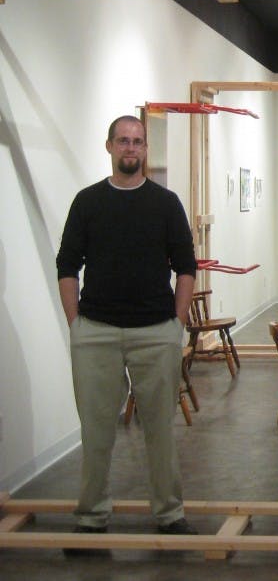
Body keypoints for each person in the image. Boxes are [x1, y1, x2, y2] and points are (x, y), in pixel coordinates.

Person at [55, 115, 199, 550]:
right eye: (123, 141)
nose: (130, 148)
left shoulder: (166, 203)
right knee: (96, 429)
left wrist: (177, 324)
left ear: (145, 149)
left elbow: (186, 267)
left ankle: (169, 513)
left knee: (160, 428)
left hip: (155, 331)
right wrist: (75, 324)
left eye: (137, 141)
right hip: (96, 332)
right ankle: (91, 516)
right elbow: (67, 266)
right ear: (109, 146)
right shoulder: (87, 202)